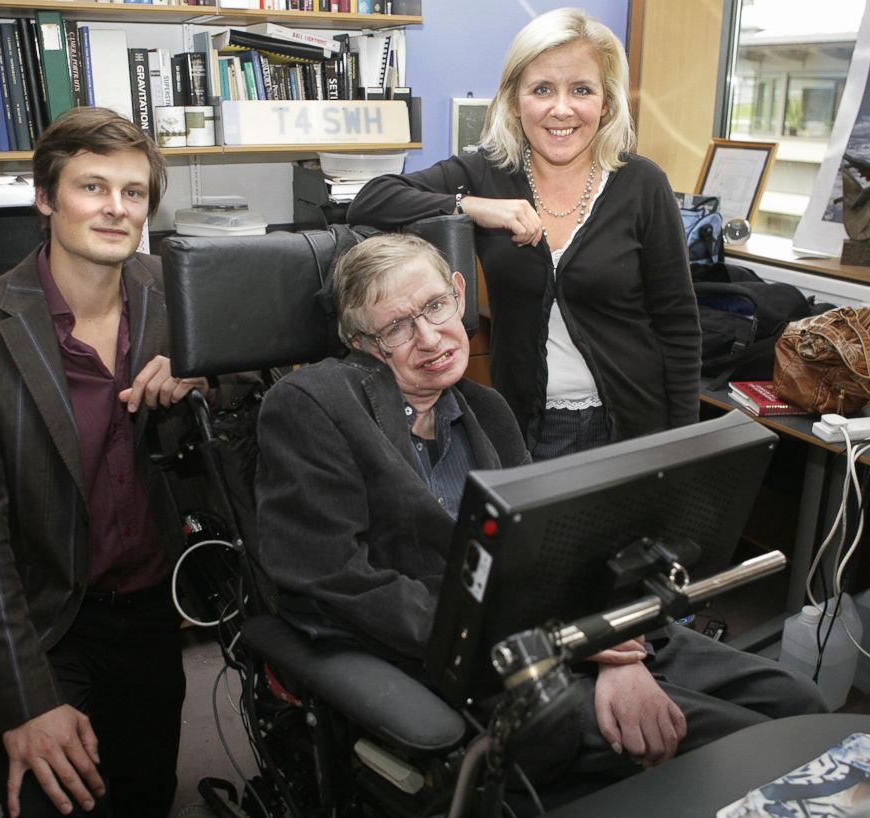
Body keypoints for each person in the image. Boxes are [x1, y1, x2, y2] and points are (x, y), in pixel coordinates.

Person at [254, 233, 826, 805]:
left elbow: (559, 547)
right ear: (362, 343)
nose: (429, 337)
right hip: (457, 655)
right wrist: (562, 642)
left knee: (796, 706)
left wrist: (612, 645)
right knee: (743, 748)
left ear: (458, 293)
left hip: (563, 627)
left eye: (433, 306)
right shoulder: (315, 404)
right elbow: (334, 577)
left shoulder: (489, 411)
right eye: (397, 327)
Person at [0, 107, 203, 818]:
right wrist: (23, 697)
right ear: (46, 198)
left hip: (148, 614)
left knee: (145, 796)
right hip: (46, 625)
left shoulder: (179, 295)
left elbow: (246, 397)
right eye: (92, 187)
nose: (116, 209)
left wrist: (202, 374)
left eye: (134, 192)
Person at [348, 7, 701, 460]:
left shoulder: (641, 184)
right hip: (524, 427)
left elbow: (678, 326)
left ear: (606, 103)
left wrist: (687, 444)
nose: (561, 108)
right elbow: (371, 200)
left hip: (633, 427)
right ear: (516, 101)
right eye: (542, 89)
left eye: (581, 90)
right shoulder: (484, 174)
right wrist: (471, 206)